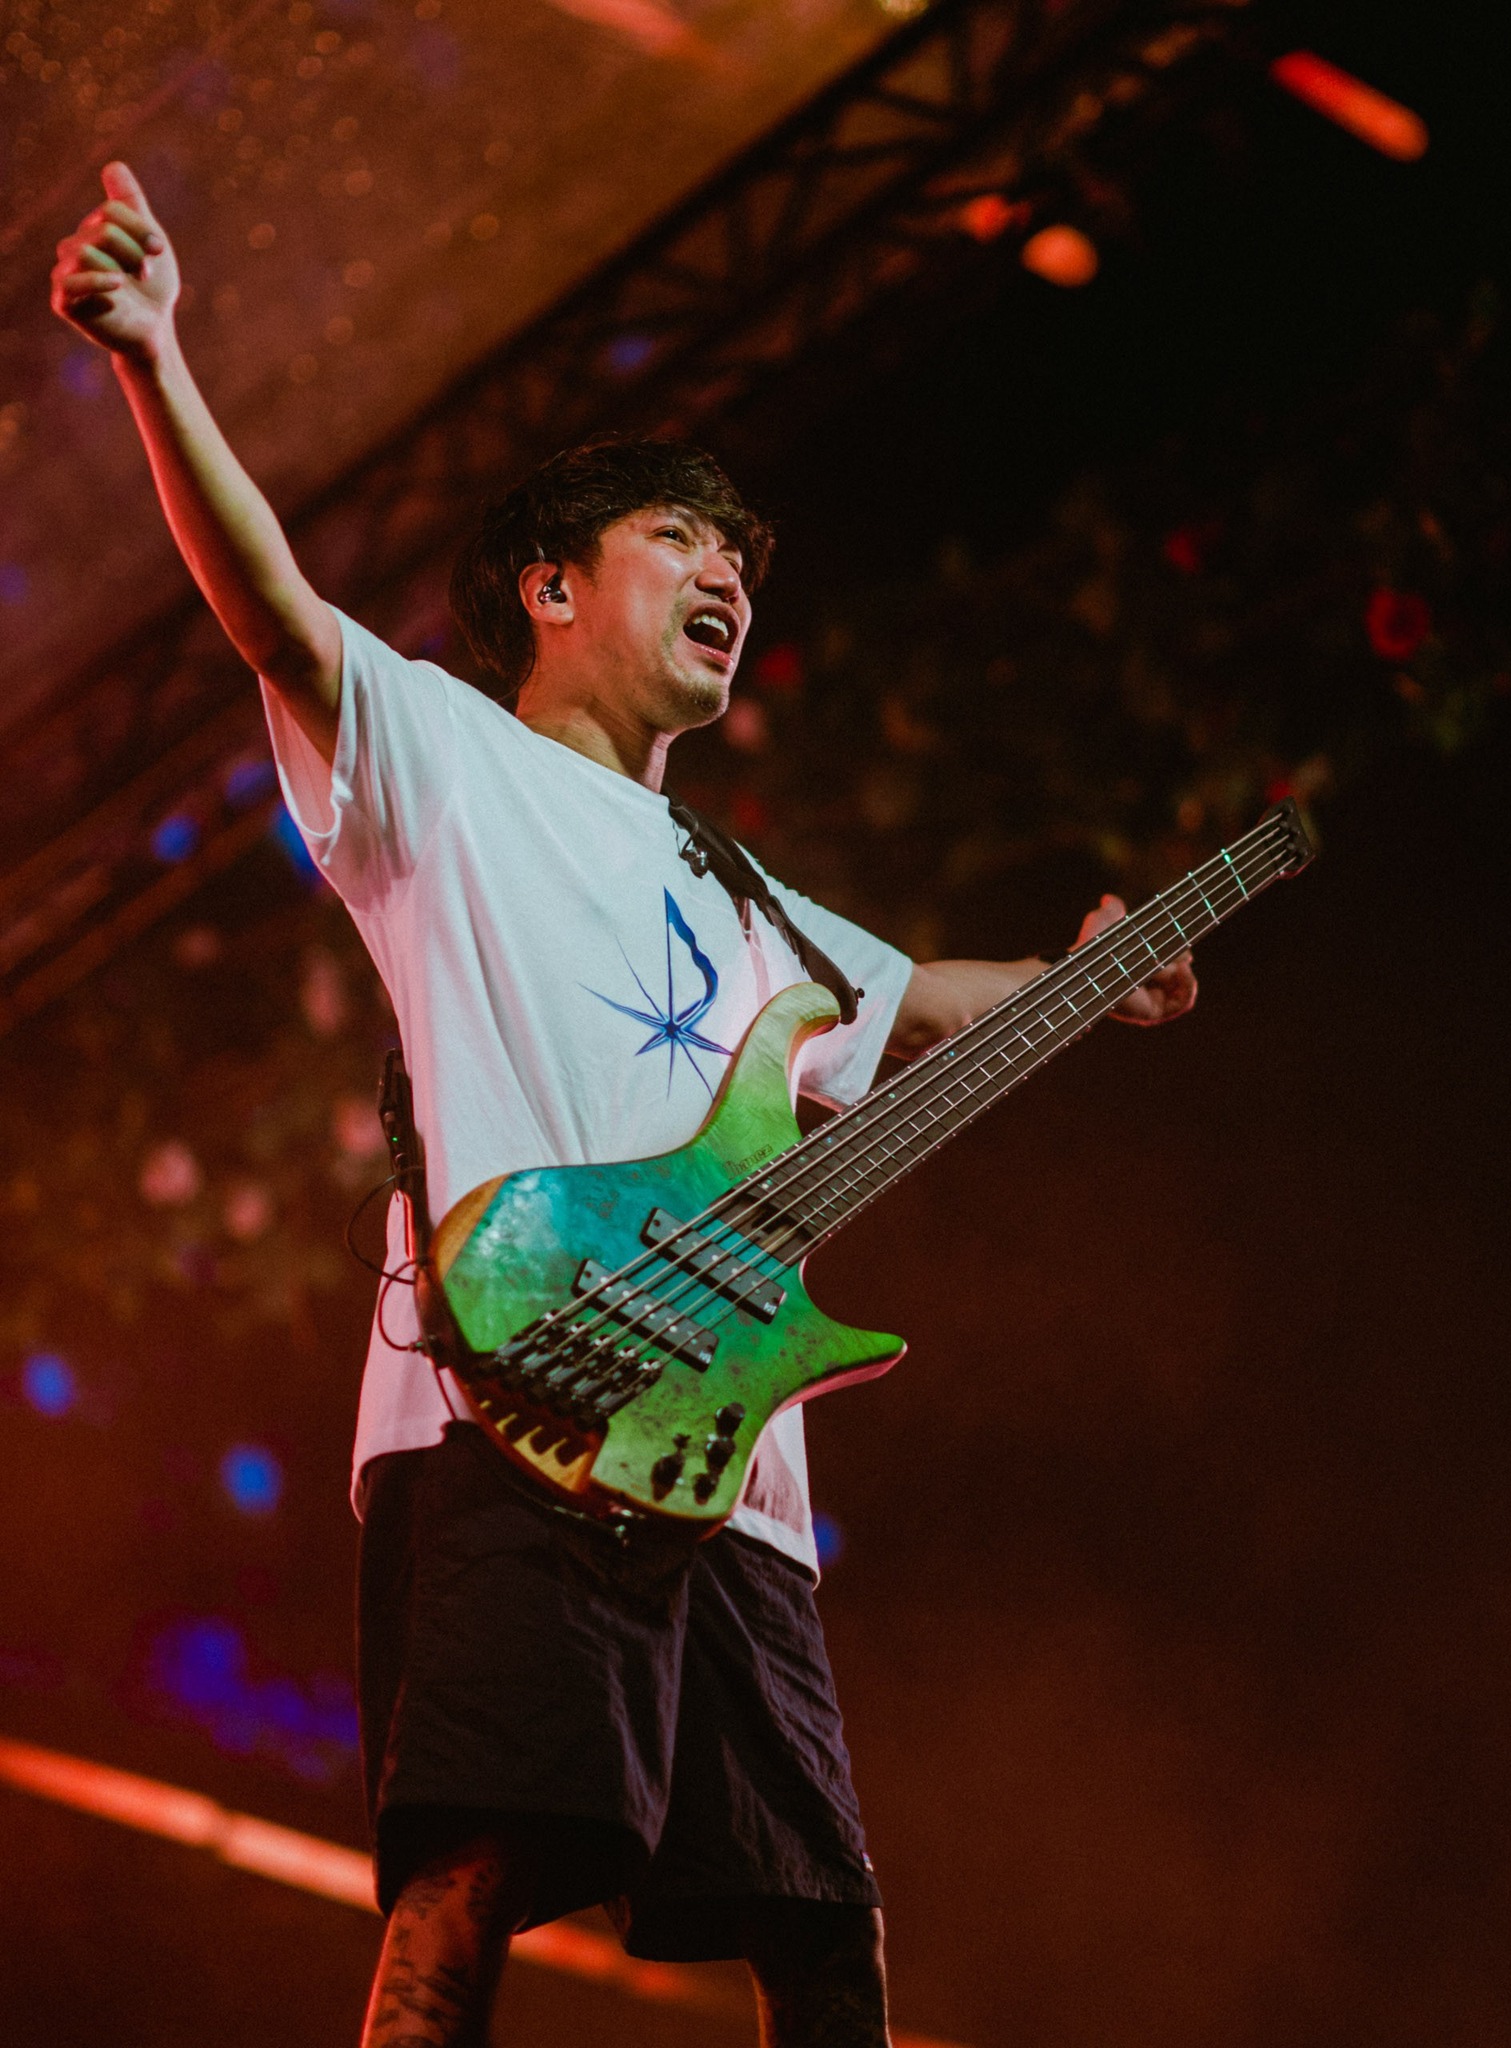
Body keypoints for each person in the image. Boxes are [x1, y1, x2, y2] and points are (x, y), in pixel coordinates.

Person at [51, 164, 1197, 2047]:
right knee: (470, 1877)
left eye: (743, 558)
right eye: (683, 539)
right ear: (554, 587)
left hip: (729, 1471)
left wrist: (1098, 970)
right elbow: (272, 608)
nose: (730, 575)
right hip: (514, 1402)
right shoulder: (446, 755)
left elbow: (927, 1000)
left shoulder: (750, 896)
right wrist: (156, 359)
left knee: (825, 1938)